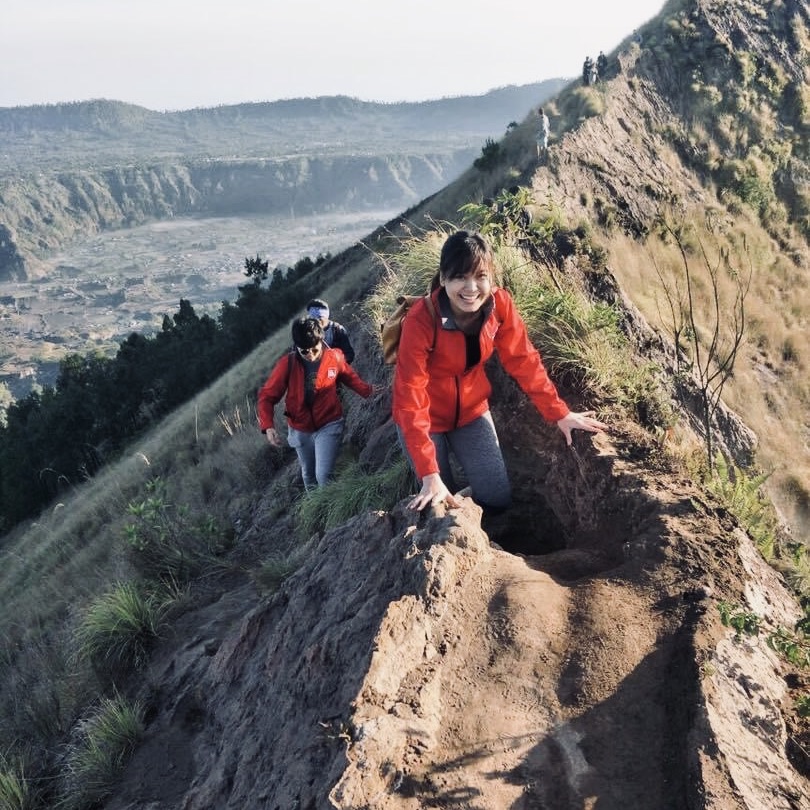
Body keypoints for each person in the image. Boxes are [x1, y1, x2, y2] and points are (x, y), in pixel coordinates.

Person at [392, 230, 608, 513]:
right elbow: (411, 395)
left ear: (491, 278)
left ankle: (473, 508)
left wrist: (559, 413)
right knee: (439, 501)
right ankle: (453, 499)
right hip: (425, 418)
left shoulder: (499, 305)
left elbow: (524, 360)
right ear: (443, 278)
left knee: (497, 498)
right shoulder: (421, 321)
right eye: (460, 277)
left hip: (470, 411)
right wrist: (429, 473)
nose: (471, 288)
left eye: (480, 276)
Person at [258, 316, 374, 491]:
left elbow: (350, 378)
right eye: (304, 351)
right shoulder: (286, 364)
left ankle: (333, 511)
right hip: (299, 429)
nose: (310, 355)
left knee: (323, 475)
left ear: (322, 340)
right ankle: (316, 510)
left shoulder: (334, 357)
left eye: (315, 349)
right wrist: (268, 426)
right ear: (297, 348)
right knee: (308, 474)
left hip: (329, 423)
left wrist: (369, 391)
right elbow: (267, 396)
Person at [306, 298, 355, 363]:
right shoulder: (309, 335)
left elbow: (349, 354)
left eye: (320, 318)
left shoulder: (337, 330)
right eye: (314, 320)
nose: (317, 322)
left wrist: (338, 362)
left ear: (326, 316)